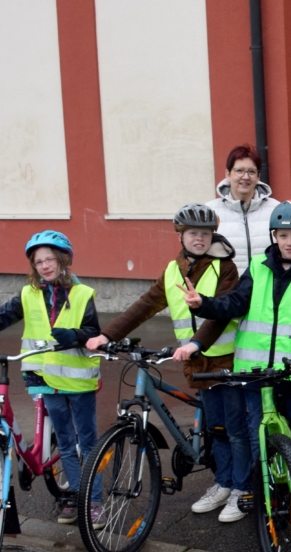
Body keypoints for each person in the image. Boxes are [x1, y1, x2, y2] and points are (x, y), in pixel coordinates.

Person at [85, 204, 250, 522]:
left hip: (225, 359)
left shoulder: (224, 267)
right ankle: (223, 483)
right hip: (197, 363)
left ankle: (241, 489)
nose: (199, 239)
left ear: (212, 235)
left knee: (235, 429)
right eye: (193, 233)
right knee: (216, 428)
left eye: (204, 233)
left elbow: (223, 314)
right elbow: (145, 305)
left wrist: (195, 343)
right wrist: (107, 335)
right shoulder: (173, 270)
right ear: (181, 235)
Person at [0, 231, 102, 525]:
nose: (45, 266)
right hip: (45, 379)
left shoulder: (82, 294)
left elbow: (93, 333)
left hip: (78, 382)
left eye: (50, 259)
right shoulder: (29, 294)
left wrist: (75, 335)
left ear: (64, 260)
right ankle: (79, 496)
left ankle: (95, 502)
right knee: (64, 442)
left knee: (87, 443)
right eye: (39, 262)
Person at [184, 199, 291, 519]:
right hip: (253, 374)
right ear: (274, 237)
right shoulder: (257, 269)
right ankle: (262, 488)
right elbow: (234, 304)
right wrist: (203, 304)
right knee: (256, 436)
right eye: (283, 235)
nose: (289, 242)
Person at [207, 144, 280, 273]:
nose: (245, 177)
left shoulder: (276, 209)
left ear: (258, 176)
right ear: (228, 174)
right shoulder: (210, 211)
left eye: (251, 171)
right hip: (227, 290)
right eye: (239, 171)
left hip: (266, 289)